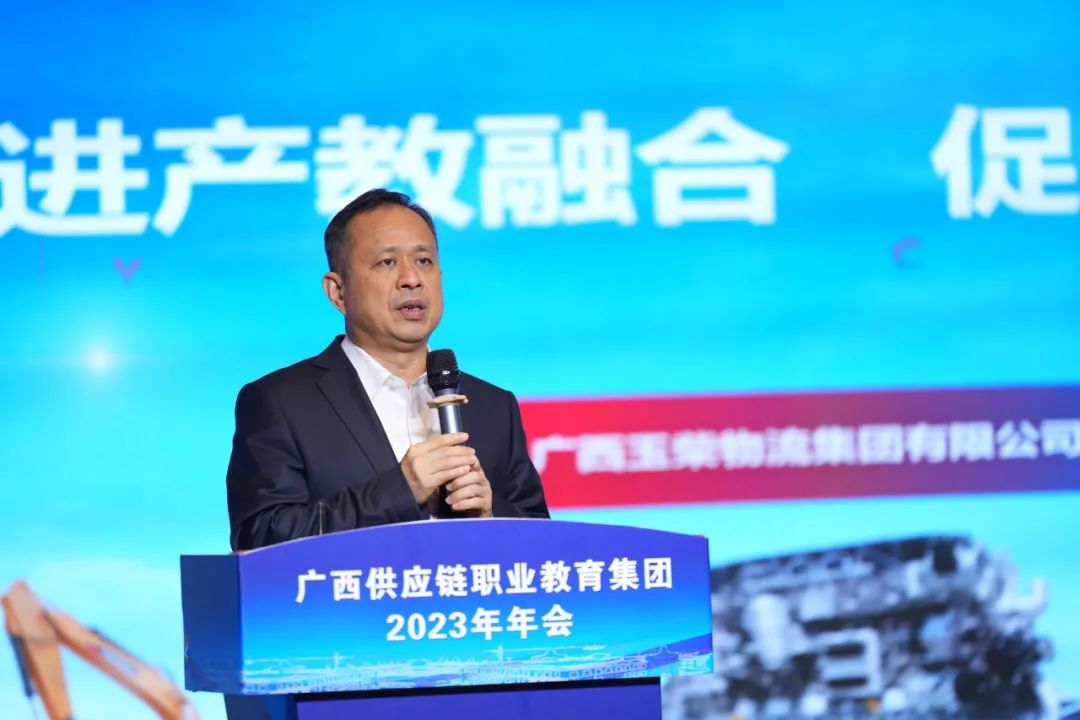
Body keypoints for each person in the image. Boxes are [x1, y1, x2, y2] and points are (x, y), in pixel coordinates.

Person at [225, 189, 549, 551]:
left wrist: (491, 515)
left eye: (424, 260)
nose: (412, 278)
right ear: (338, 292)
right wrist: (400, 490)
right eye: (387, 262)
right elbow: (259, 539)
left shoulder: (494, 405)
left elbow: (547, 545)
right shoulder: (281, 403)